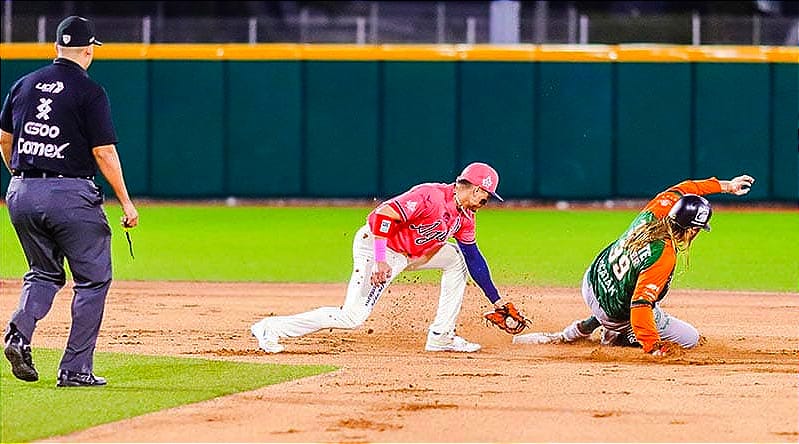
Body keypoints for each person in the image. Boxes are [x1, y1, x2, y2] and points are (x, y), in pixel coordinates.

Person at [251, 162, 526, 353]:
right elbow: (383, 215)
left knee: (456, 259)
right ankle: (271, 328)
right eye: (487, 197)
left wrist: (497, 300)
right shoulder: (430, 196)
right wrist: (381, 259)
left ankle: (441, 337)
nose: (486, 202)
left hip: (408, 255)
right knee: (353, 317)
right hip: (377, 248)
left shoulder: (465, 217)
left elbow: (474, 257)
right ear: (477, 189)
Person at [1, 16, 139, 387]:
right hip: (70, 194)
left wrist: (20, 176)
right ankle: (75, 369)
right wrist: (126, 202)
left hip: (21, 193)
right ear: (89, 50)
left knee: (43, 272)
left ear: (56, 48)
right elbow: (104, 152)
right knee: (92, 280)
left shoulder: (24, 84)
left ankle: (18, 334)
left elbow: (4, 140)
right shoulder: (89, 91)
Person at [513, 175, 755, 356]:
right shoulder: (664, 255)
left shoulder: (661, 206)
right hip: (614, 312)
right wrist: (653, 347)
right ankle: (619, 334)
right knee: (690, 339)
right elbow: (640, 305)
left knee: (629, 283)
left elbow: (685, 188)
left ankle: (574, 333)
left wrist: (726, 186)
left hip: (592, 280)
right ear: (691, 229)